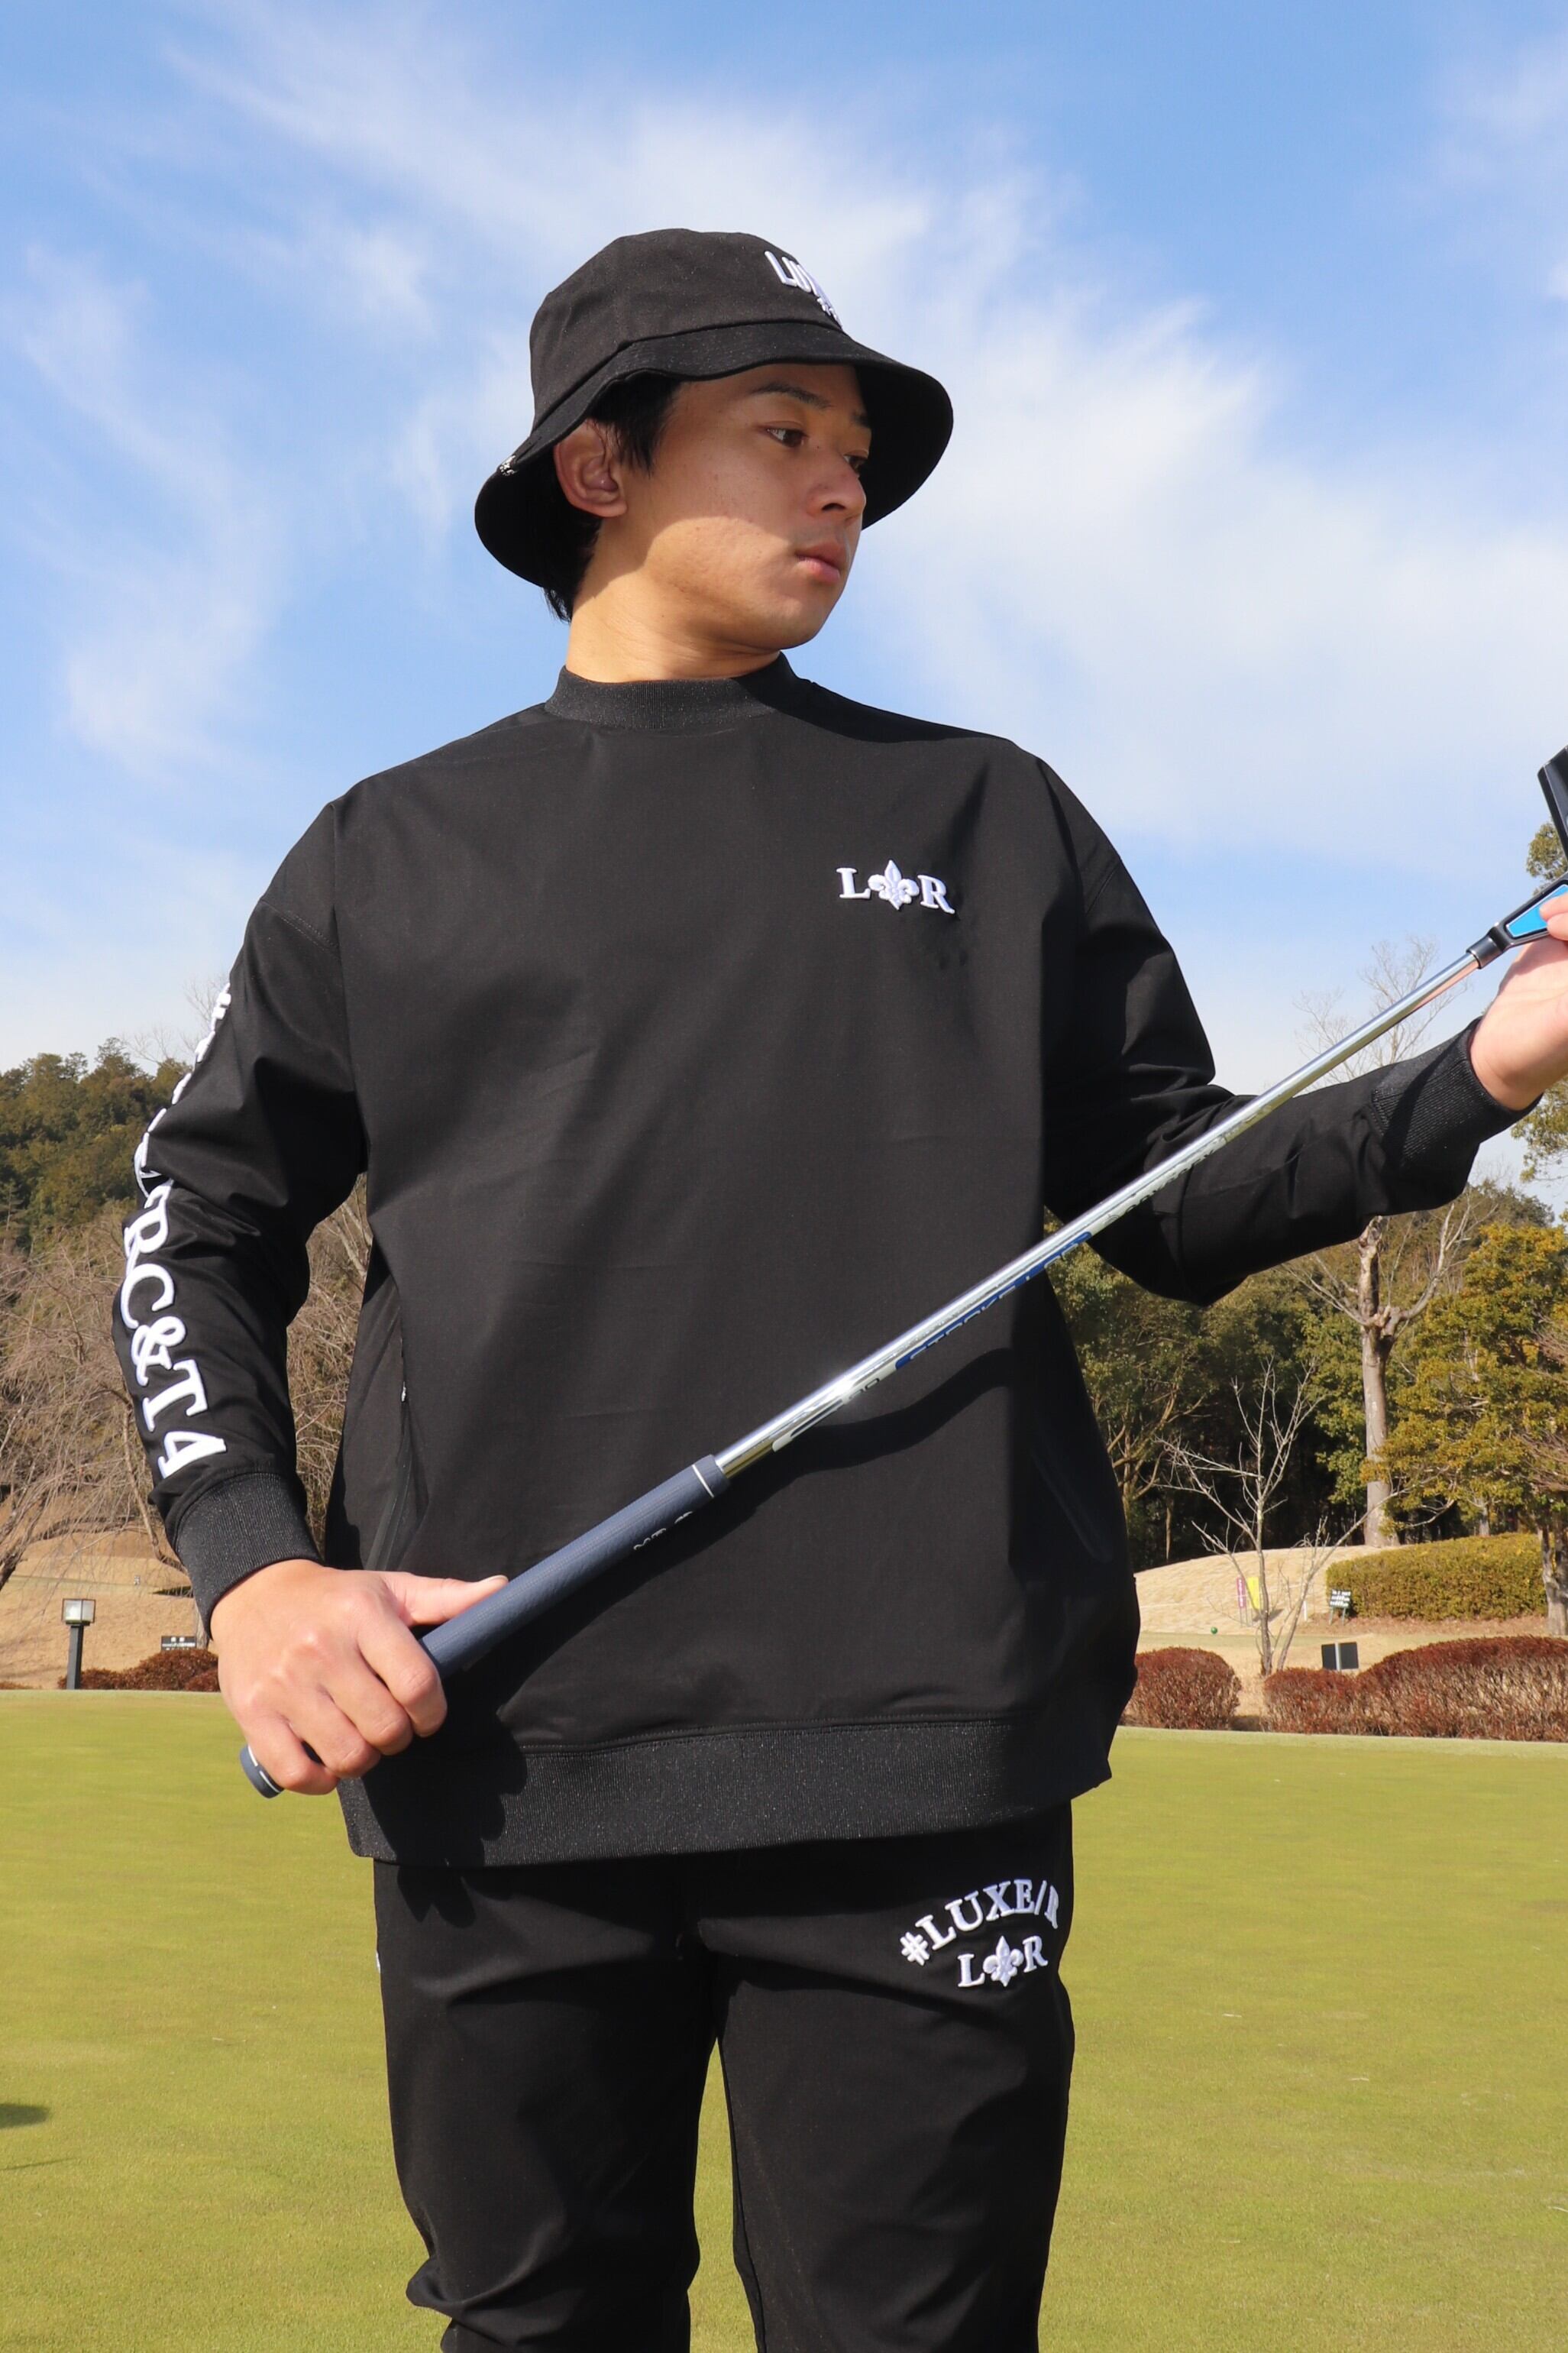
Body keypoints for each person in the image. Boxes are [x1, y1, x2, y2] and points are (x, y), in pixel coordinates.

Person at [113, 228, 1568, 2351]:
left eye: (858, 452)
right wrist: (253, 1571)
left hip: (922, 1763)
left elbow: (1175, 1198)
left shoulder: (987, 815)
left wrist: (1496, 1066)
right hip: (502, 1757)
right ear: (599, 467)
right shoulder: (388, 851)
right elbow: (195, 1217)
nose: (843, 487)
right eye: (782, 430)